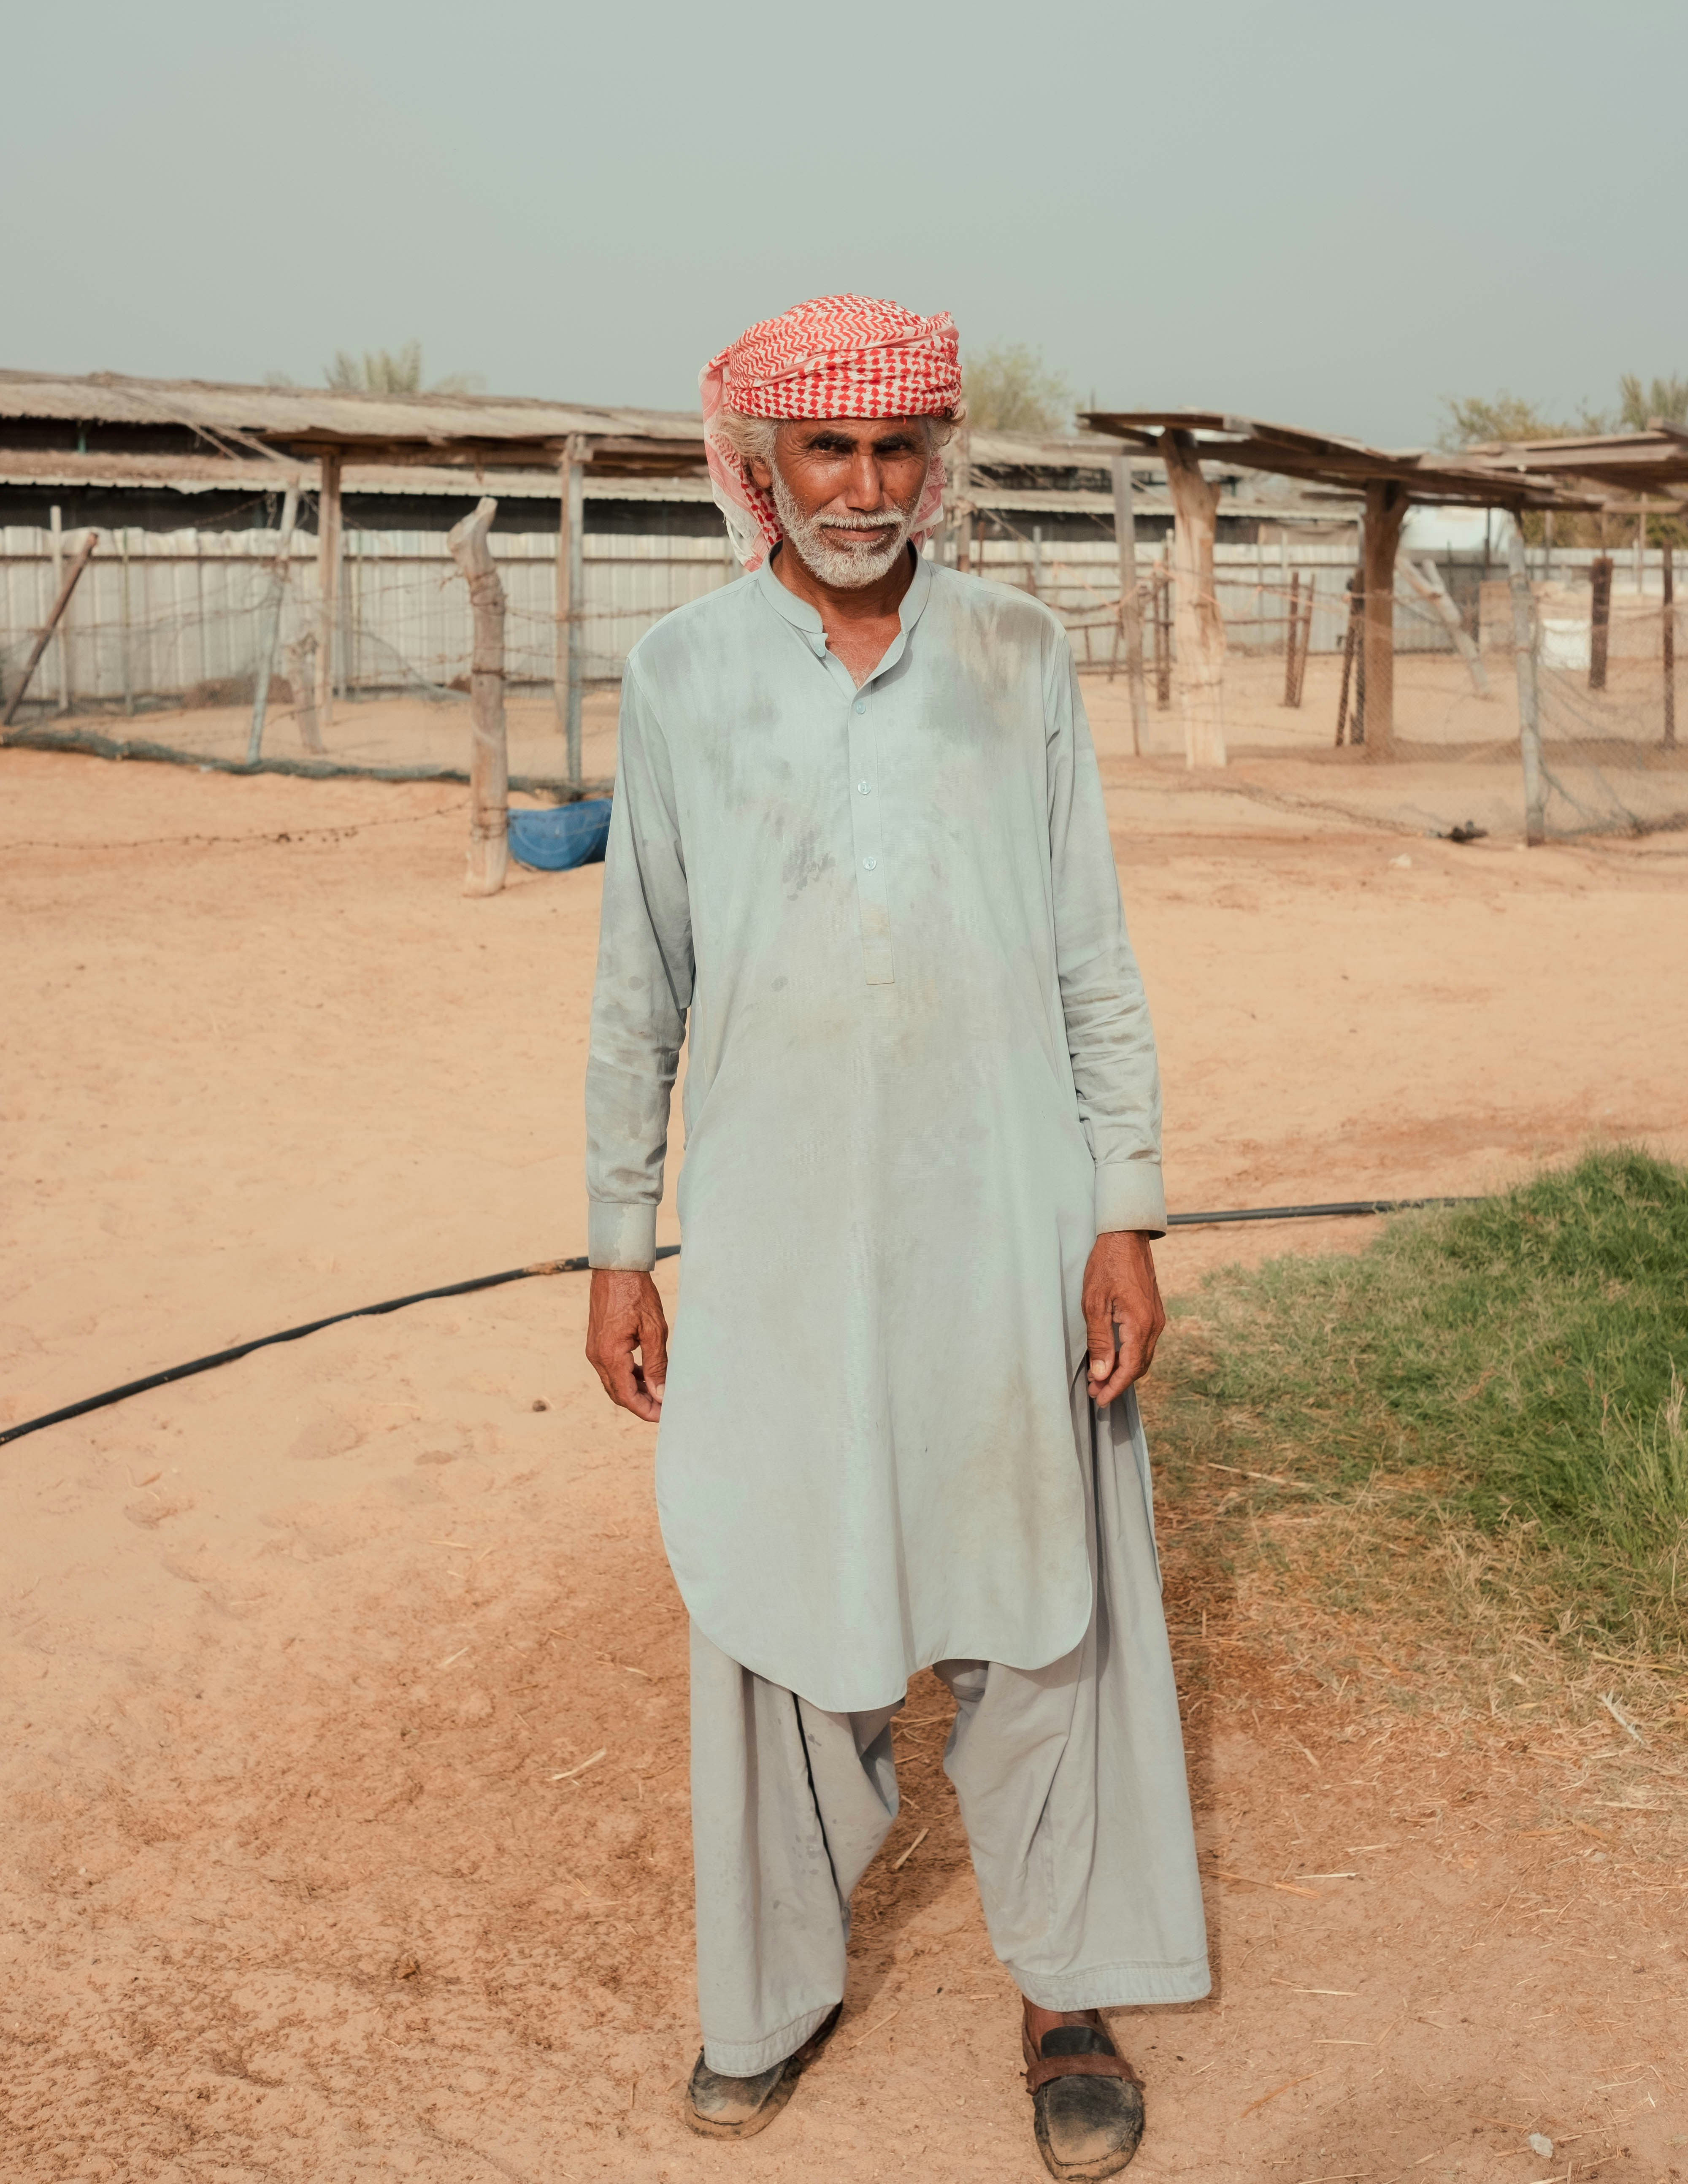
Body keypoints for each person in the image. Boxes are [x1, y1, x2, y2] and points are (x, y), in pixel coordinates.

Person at [583, 293, 1207, 2181]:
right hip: (777, 1233)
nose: (864, 487)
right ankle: (771, 1997)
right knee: (780, 1592)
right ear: (759, 464)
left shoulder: (1017, 654)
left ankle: (1068, 1994)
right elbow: (642, 982)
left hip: (1006, 1215)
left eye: (895, 448)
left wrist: (1123, 1211)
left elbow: (1091, 952)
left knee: (1043, 1601)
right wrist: (621, 1239)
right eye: (829, 449)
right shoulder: (682, 672)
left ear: (937, 460)